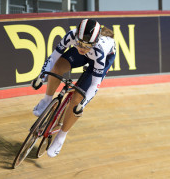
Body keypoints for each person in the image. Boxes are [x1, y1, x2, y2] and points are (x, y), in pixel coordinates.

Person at [31, 19, 116, 158]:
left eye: (86, 45)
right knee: (57, 68)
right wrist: (41, 76)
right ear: (76, 36)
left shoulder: (100, 52)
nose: (82, 48)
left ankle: (61, 136)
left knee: (77, 99)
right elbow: (53, 59)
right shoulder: (71, 36)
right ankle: (46, 101)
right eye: (80, 43)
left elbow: (95, 85)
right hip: (89, 53)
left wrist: (82, 104)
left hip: (100, 59)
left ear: (94, 43)